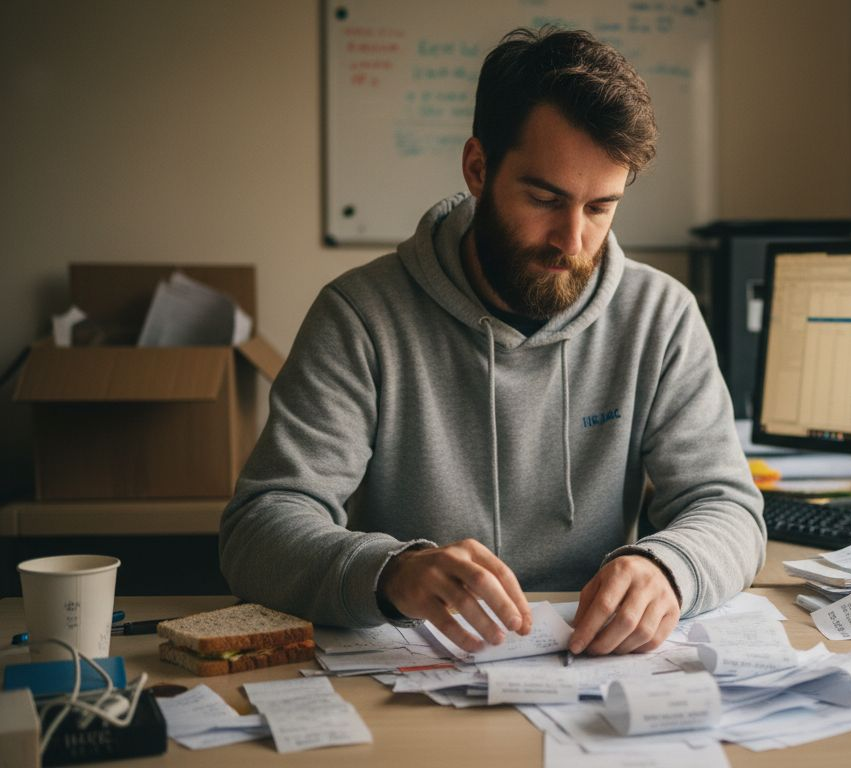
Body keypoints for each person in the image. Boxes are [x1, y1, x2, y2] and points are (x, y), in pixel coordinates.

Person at [219, 27, 765, 658]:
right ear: (478, 169)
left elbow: (727, 506)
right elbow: (259, 529)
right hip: (413, 670)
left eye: (600, 208)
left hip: (594, 672)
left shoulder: (661, 316)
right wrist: (391, 571)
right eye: (545, 198)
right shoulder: (361, 316)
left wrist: (669, 567)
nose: (572, 240)